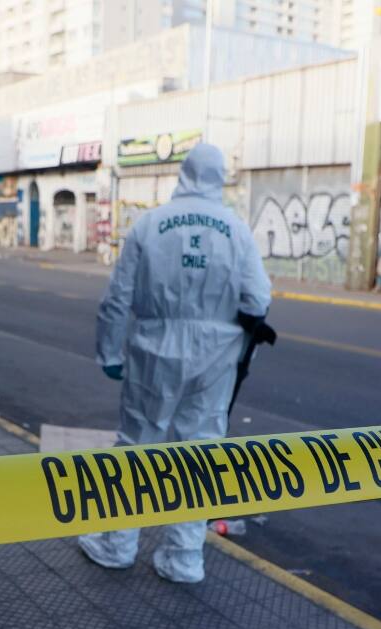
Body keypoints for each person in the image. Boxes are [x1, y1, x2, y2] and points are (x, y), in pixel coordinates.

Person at [79, 144, 272, 583]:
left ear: (183, 174)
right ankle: (184, 557)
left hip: (154, 346)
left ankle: (117, 544)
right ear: (220, 177)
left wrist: (110, 354)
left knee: (136, 445)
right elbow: (258, 298)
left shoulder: (149, 225)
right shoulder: (236, 230)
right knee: (200, 452)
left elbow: (117, 298)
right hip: (217, 352)